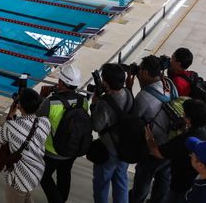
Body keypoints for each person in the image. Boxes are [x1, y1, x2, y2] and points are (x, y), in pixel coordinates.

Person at [144, 99, 206, 203]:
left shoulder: (185, 141)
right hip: (197, 185)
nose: (182, 115)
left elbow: (157, 152)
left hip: (181, 187)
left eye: (184, 114)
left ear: (189, 119)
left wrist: (149, 139)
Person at [129, 55, 178, 203]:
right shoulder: (169, 83)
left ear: (144, 72)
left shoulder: (143, 97)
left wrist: (129, 89)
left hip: (154, 146)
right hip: (172, 141)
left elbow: (133, 118)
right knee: (164, 178)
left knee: (143, 180)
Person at [37, 64, 88, 203]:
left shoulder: (50, 102)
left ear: (60, 83)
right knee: (64, 175)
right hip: (72, 149)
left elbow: (36, 119)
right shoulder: (83, 101)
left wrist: (42, 97)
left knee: (43, 176)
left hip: (51, 152)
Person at [0, 88, 52, 203]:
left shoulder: (11, 126)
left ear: (20, 106)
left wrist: (11, 114)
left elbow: (1, 139)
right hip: (35, 173)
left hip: (19, 178)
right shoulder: (45, 122)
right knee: (27, 196)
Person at [91, 63, 134, 203]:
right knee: (121, 181)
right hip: (125, 147)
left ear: (106, 83)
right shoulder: (127, 93)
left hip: (109, 151)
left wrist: (93, 105)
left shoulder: (104, 103)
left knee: (101, 185)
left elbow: (96, 126)